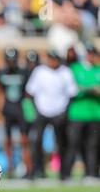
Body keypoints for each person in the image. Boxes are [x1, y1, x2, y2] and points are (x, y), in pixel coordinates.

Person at [26, 49, 79, 180]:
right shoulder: (39, 71)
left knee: (62, 143)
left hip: (59, 112)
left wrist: (65, 112)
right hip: (42, 111)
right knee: (36, 141)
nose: (53, 62)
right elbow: (30, 92)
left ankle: (64, 172)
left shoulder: (65, 72)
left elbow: (72, 93)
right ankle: (38, 170)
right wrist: (36, 110)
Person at [0, 47, 32, 178]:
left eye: (13, 60)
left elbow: (28, 92)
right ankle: (10, 168)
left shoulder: (23, 72)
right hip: (8, 109)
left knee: (24, 140)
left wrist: (30, 109)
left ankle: (28, 167)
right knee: (8, 140)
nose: (11, 62)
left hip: (20, 108)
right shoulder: (1, 72)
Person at [64, 45, 100, 180]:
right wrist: (90, 89)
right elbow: (72, 88)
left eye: (93, 53)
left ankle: (91, 173)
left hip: (95, 114)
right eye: (89, 53)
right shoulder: (75, 68)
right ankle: (66, 174)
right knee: (73, 143)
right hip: (77, 113)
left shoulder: (98, 69)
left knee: (93, 145)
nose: (91, 56)